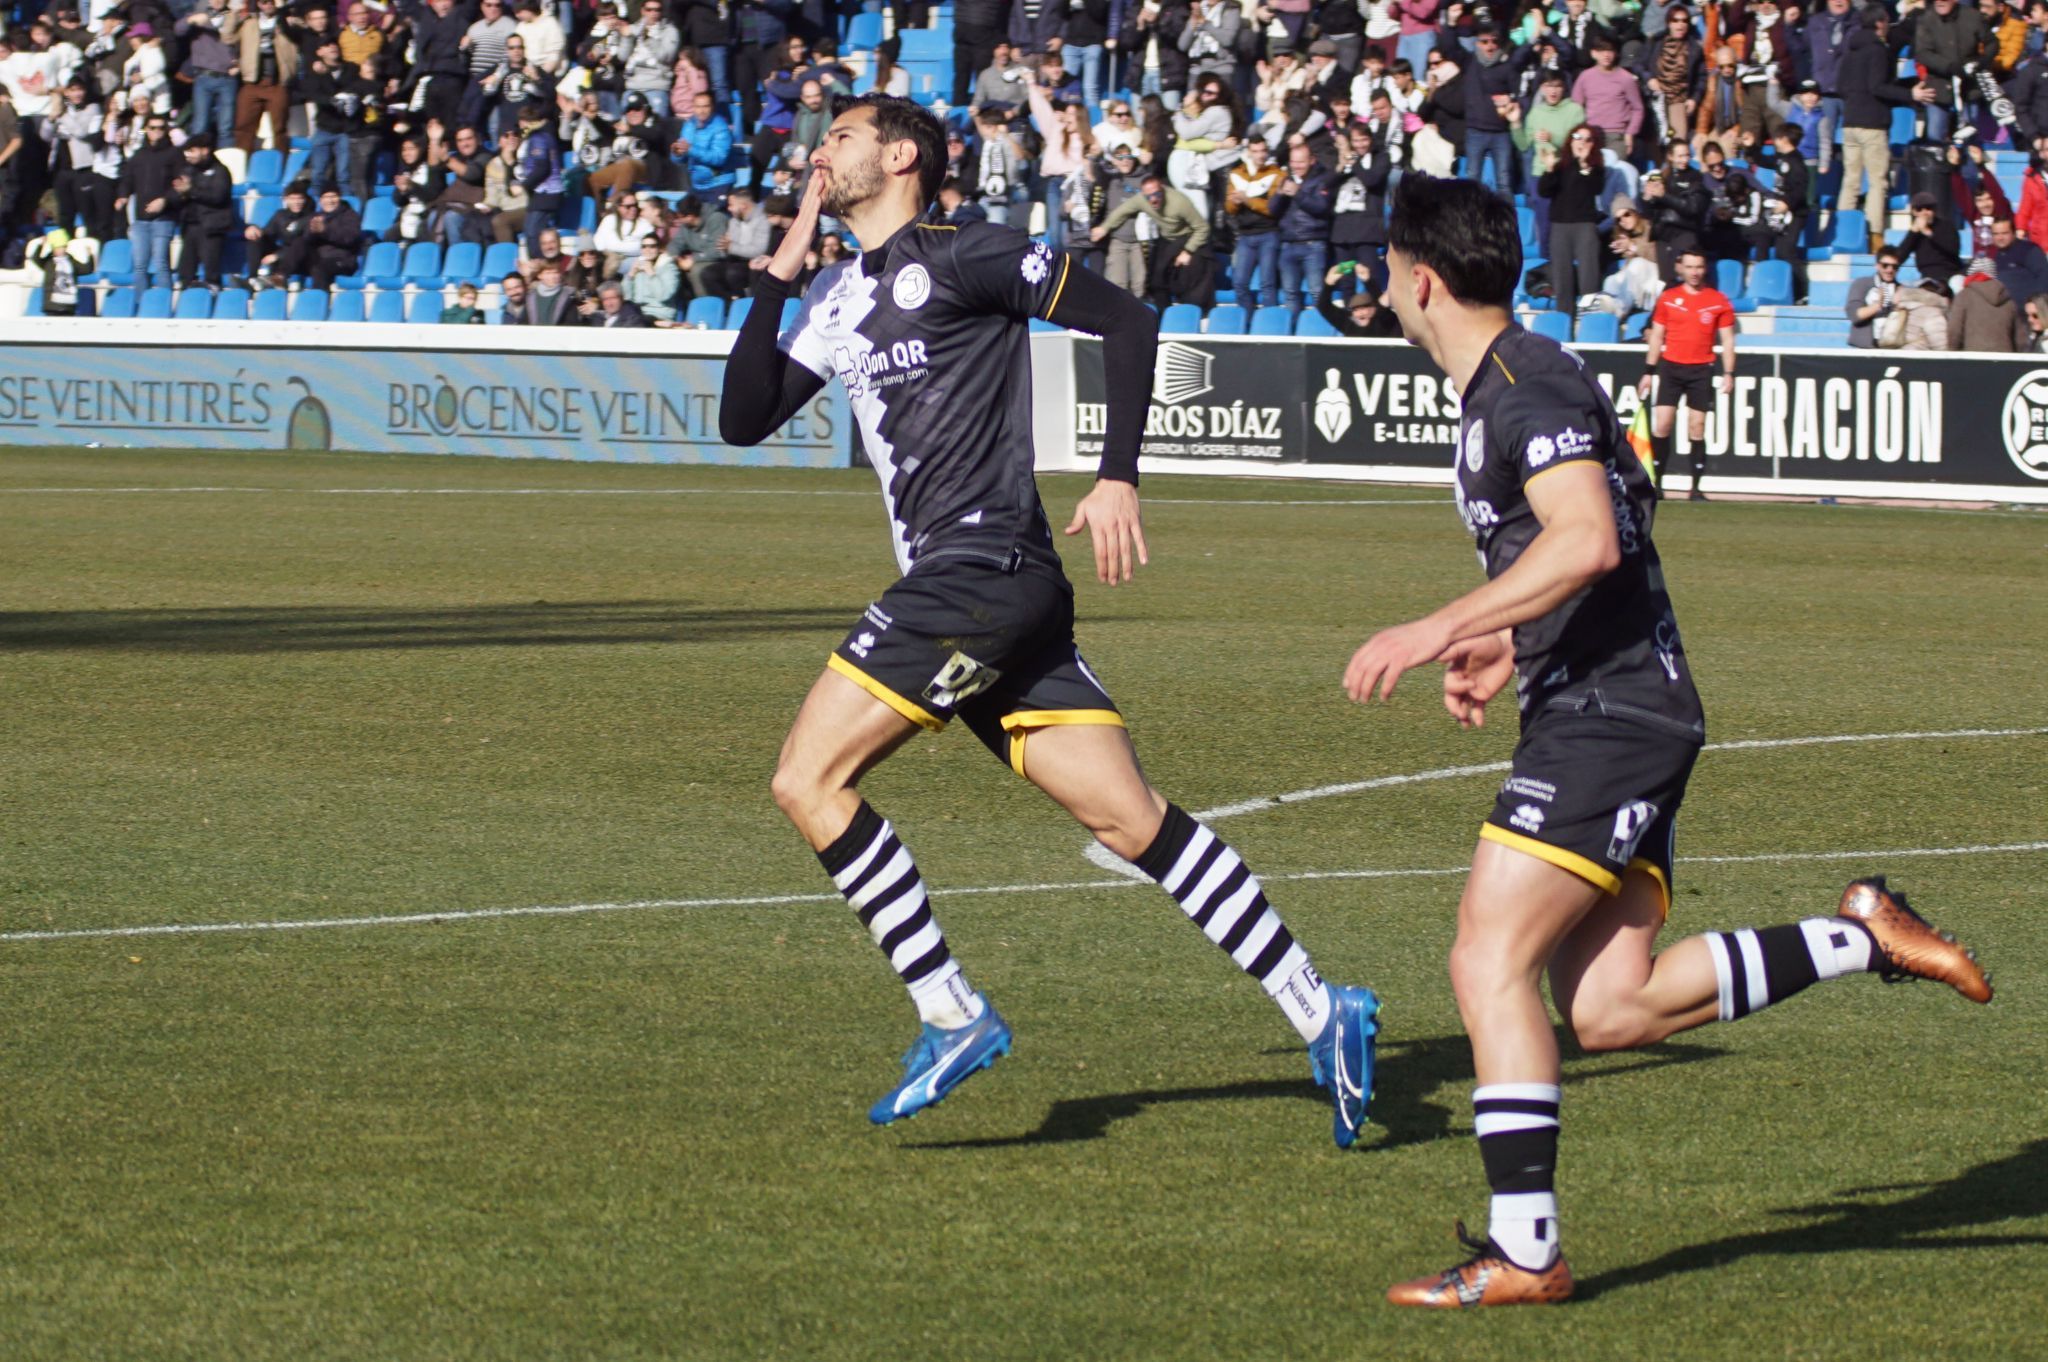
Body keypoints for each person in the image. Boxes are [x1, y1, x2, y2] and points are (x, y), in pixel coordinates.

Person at [1348, 174, 1992, 1309]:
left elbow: (1588, 536)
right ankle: (1862, 936)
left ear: (1421, 279)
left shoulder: (1523, 383)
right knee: (1607, 1009)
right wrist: (1510, 646)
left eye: (1389, 270)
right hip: (1606, 701)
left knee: (1482, 959)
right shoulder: (1517, 382)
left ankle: (1523, 1252)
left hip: (1613, 714)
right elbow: (1617, 531)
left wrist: (1439, 623)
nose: (1385, 288)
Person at [719, 92, 1381, 1142]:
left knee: (807, 778)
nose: (819, 151)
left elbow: (1127, 316)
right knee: (1129, 820)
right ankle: (1321, 1007)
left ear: (899, 156)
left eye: (839, 135)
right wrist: (779, 270)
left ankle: (950, 1012)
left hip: (976, 570)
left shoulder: (966, 255)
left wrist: (1117, 477)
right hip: (993, 588)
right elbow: (743, 417)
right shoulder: (840, 296)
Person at [1638, 247, 1734, 500]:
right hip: (1671, 367)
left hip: (1701, 369)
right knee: (1663, 424)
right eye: (1690, 267)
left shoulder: (1718, 300)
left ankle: (1696, 487)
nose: (1694, 272)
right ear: (1681, 268)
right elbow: (1657, 335)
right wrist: (1649, 371)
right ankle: (1657, 484)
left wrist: (1729, 372)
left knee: (1697, 427)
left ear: (1705, 269)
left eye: (1699, 267)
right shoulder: (1669, 298)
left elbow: (1727, 340)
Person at [1539, 124, 1606, 313]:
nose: (1582, 142)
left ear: (1594, 144)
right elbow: (1543, 191)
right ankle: (1564, 318)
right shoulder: (1560, 166)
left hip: (1585, 226)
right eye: (1577, 137)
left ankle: (1590, 321)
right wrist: (1550, 169)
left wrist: (1585, 166)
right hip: (1560, 226)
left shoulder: (1596, 169)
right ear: (1570, 140)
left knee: (1588, 277)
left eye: (1587, 139)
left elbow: (1596, 188)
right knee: (1562, 277)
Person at [116, 109, 182, 290]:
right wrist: (122, 196)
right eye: (152, 128)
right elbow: (127, 179)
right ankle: (139, 306)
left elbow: (180, 186)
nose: (157, 131)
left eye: (161, 128)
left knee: (161, 263)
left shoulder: (174, 154)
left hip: (164, 218)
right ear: (146, 129)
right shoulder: (139, 155)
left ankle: (163, 305)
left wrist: (165, 200)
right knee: (139, 266)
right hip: (141, 218)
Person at [1225, 135, 1286, 309]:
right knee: (1239, 283)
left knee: (1267, 284)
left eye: (1263, 151)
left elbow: (1271, 208)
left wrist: (1246, 200)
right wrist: (1234, 202)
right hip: (1245, 235)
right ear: (1249, 153)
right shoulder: (1237, 174)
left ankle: (1269, 326)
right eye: (1255, 151)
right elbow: (1229, 208)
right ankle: (1248, 321)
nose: (1260, 155)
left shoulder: (1277, 174)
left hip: (1268, 233)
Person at [268, 184, 363, 289]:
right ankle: (280, 276)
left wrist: (325, 230)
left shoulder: (350, 215)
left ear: (339, 198)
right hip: (318, 258)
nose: (330, 200)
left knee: (320, 268)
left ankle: (317, 301)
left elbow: (349, 238)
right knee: (299, 243)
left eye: (333, 196)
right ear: (321, 201)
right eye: (326, 197)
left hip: (341, 260)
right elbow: (307, 240)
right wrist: (313, 232)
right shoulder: (316, 216)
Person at [174, 131, 236, 289]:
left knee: (211, 273)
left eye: (192, 150)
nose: (189, 154)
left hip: (211, 227)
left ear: (205, 150)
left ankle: (212, 301)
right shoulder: (188, 170)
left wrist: (191, 190)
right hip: (189, 226)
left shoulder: (221, 171)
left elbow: (218, 196)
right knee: (185, 273)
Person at [1949, 254, 2030, 350]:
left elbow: (1954, 331)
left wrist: (1952, 353)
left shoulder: (1964, 296)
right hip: (2004, 360)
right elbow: (2020, 339)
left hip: (1973, 359)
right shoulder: (2008, 299)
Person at [1318, 265, 1402, 334]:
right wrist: (1328, 284)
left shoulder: (1385, 321)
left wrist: (1368, 281)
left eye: (1363, 308)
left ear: (1373, 309)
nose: (1360, 313)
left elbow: (1382, 307)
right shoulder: (1348, 324)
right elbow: (1323, 306)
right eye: (1355, 310)